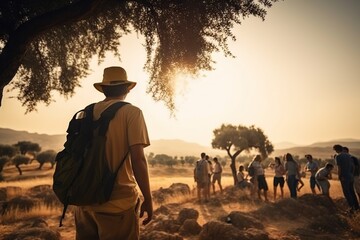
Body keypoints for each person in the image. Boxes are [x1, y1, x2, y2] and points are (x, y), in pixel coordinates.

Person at [74, 66, 153, 240]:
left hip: (84, 204)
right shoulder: (132, 113)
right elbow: (138, 159)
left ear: (104, 89)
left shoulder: (85, 112)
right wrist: (148, 198)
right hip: (118, 205)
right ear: (127, 89)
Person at [333, 144, 359, 214]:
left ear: (336, 150)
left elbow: (339, 168)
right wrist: (351, 174)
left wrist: (339, 176)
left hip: (344, 177)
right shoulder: (349, 156)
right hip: (350, 176)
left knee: (347, 193)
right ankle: (357, 207)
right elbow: (353, 166)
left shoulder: (338, 156)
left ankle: (352, 209)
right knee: (352, 192)